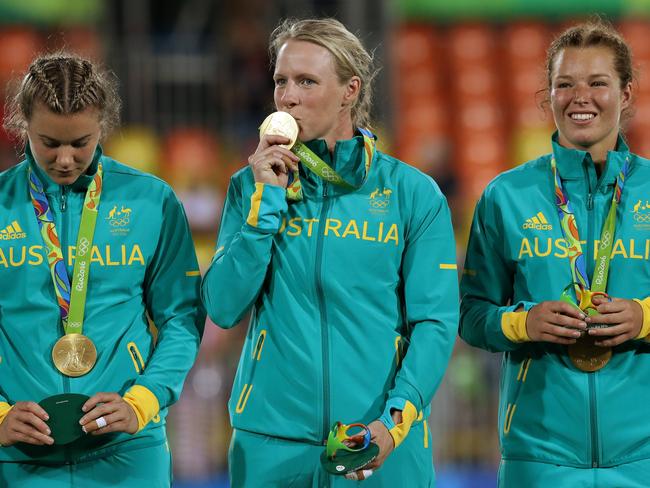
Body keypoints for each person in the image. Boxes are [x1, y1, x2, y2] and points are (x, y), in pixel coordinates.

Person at [201, 17, 458, 487]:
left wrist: (393, 423)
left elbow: (436, 324)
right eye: (281, 81)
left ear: (349, 91)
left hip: (375, 438)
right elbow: (221, 306)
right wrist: (266, 205)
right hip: (269, 442)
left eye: (306, 81)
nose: (288, 97)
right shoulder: (251, 187)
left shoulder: (412, 194)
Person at [0, 52, 205, 487]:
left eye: (81, 142)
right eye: (49, 143)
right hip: (17, 457)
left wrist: (141, 403)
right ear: (22, 126)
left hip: (129, 453)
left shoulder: (151, 201)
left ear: (104, 127)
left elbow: (182, 319)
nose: (66, 159)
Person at [460, 19, 650, 486]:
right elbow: (472, 315)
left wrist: (643, 318)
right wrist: (524, 322)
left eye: (597, 83)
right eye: (565, 84)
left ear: (625, 94)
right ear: (548, 96)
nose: (579, 96)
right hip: (538, 457)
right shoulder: (506, 196)